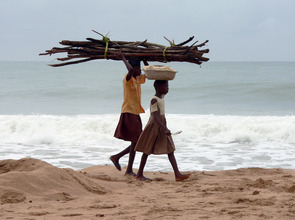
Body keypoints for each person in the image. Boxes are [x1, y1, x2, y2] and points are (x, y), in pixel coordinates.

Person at [135, 80, 191, 181]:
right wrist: (164, 128)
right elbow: (155, 116)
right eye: (165, 86)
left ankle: (177, 174)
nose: (167, 88)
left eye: (167, 86)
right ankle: (139, 174)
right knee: (147, 150)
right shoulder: (154, 100)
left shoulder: (161, 97)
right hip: (155, 126)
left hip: (162, 125)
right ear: (158, 87)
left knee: (170, 149)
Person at [110, 52, 148, 176]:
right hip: (128, 112)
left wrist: (144, 60)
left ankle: (119, 159)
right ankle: (126, 166)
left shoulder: (138, 79)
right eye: (138, 68)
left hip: (135, 113)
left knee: (136, 142)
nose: (140, 71)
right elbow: (131, 70)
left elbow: (149, 73)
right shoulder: (128, 78)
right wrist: (123, 59)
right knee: (136, 141)